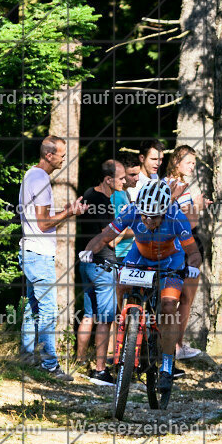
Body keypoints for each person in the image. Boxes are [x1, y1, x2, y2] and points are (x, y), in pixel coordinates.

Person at [78, 181, 202, 393]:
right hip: (140, 255)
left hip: (170, 260)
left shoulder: (176, 217)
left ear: (164, 211)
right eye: (144, 216)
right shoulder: (132, 211)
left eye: (154, 217)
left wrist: (192, 267)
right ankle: (128, 324)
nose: (148, 220)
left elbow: (193, 253)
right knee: (121, 283)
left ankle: (167, 365)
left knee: (169, 306)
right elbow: (104, 237)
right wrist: (89, 250)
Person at [18, 135, 86, 380]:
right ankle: (50, 365)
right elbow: (43, 223)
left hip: (30, 251)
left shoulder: (31, 175)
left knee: (32, 308)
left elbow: (38, 218)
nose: (64, 159)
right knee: (48, 310)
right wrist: (70, 212)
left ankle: (27, 358)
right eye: (61, 155)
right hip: (38, 254)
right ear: (49, 155)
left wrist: (65, 210)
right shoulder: (41, 179)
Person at [76, 160, 124, 386]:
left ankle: (79, 361)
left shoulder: (88, 194)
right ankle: (100, 370)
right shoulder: (104, 202)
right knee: (105, 319)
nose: (124, 182)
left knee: (89, 315)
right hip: (103, 265)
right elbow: (111, 240)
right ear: (108, 180)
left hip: (86, 263)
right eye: (121, 178)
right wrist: (128, 228)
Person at [163, 145, 210, 361]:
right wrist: (197, 208)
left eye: (194, 163)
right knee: (180, 299)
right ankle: (174, 346)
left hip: (182, 244)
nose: (192, 167)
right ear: (176, 162)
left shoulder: (176, 184)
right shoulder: (173, 185)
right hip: (181, 245)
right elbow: (187, 222)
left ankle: (174, 345)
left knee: (181, 298)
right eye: (188, 162)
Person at [111, 153, 142, 260]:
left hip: (127, 253)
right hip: (118, 255)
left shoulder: (125, 193)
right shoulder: (116, 196)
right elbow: (113, 234)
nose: (137, 178)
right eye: (132, 175)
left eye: (138, 174)